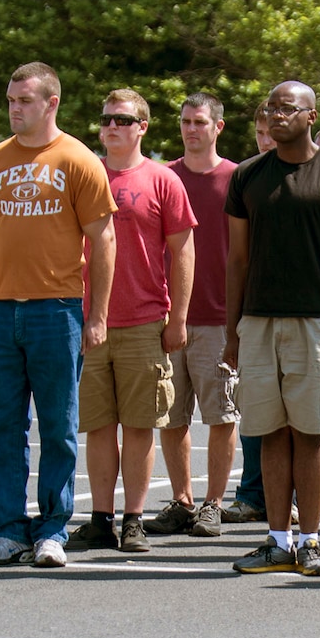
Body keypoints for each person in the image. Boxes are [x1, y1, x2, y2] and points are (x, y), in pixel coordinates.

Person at [0, 62, 117, 570]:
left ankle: (53, 530)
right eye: (11, 100)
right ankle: (9, 531)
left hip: (57, 312)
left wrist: (96, 316)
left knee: (58, 427)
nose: (15, 108)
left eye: (25, 100)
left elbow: (103, 239)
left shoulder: (78, 161)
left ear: (51, 103)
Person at [225, 80, 320, 576]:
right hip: (259, 322)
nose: (277, 115)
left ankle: (310, 542)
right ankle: (277, 541)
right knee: (268, 431)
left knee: (311, 433)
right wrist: (232, 332)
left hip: (317, 322)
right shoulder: (248, 177)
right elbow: (237, 260)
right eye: (271, 108)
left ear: (312, 116)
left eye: (288, 108)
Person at [71, 89, 195, 554]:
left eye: (122, 119)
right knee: (98, 424)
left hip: (145, 320)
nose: (111, 127)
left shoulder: (163, 181)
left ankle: (134, 519)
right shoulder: (84, 175)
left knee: (140, 424)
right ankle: (101, 518)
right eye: (105, 119)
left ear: (143, 126)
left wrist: (177, 318)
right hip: (88, 321)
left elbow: (184, 251)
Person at [149, 93, 239, 539]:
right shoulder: (165, 178)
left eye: (200, 122)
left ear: (217, 127)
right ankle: (182, 500)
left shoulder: (237, 179)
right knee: (171, 414)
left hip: (220, 319)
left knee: (221, 415)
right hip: (167, 317)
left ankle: (214, 504)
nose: (191, 129)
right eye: (185, 121)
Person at [226, 104, 278, 525]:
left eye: (271, 132)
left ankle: (290, 497)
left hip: (300, 315)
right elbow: (237, 257)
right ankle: (251, 493)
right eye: (260, 132)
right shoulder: (246, 176)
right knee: (254, 410)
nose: (266, 140)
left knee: (299, 419)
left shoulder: (308, 173)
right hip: (254, 311)